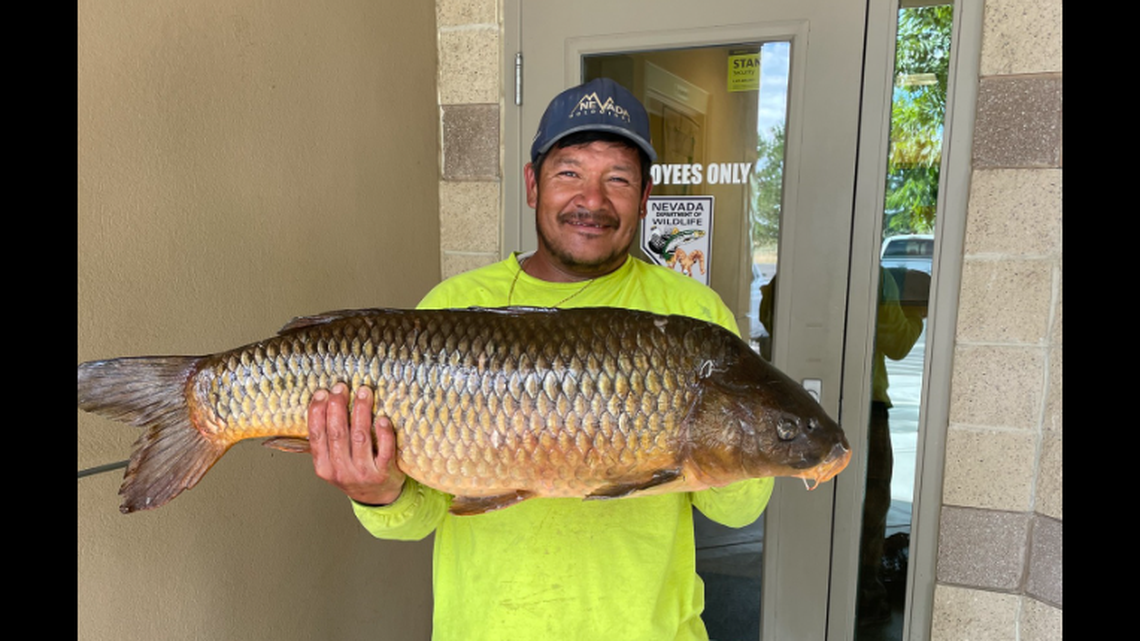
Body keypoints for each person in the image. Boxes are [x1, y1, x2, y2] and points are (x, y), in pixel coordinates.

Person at [306, 78, 774, 641]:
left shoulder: (691, 316)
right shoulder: (454, 308)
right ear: (533, 184)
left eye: (618, 179)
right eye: (569, 172)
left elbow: (737, 512)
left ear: (645, 197)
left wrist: (744, 442)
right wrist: (374, 490)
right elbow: (421, 516)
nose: (592, 200)